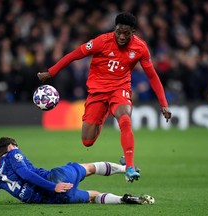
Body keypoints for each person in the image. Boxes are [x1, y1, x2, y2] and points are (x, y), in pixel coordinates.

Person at [37, 12, 172, 182]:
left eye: (126, 33)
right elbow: (73, 55)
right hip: (98, 92)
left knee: (124, 118)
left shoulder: (140, 48)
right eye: (119, 32)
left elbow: (152, 76)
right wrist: (51, 72)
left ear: (133, 32)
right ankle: (102, 116)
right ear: (114, 29)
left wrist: (163, 103)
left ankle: (129, 166)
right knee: (87, 141)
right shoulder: (101, 41)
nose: (122, 36)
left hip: (120, 89)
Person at [0, 137, 154, 205]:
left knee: (93, 197)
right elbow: (25, 174)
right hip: (55, 181)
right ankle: (126, 168)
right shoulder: (13, 153)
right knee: (88, 168)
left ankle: (122, 200)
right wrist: (53, 186)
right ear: (10, 146)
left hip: (52, 200)